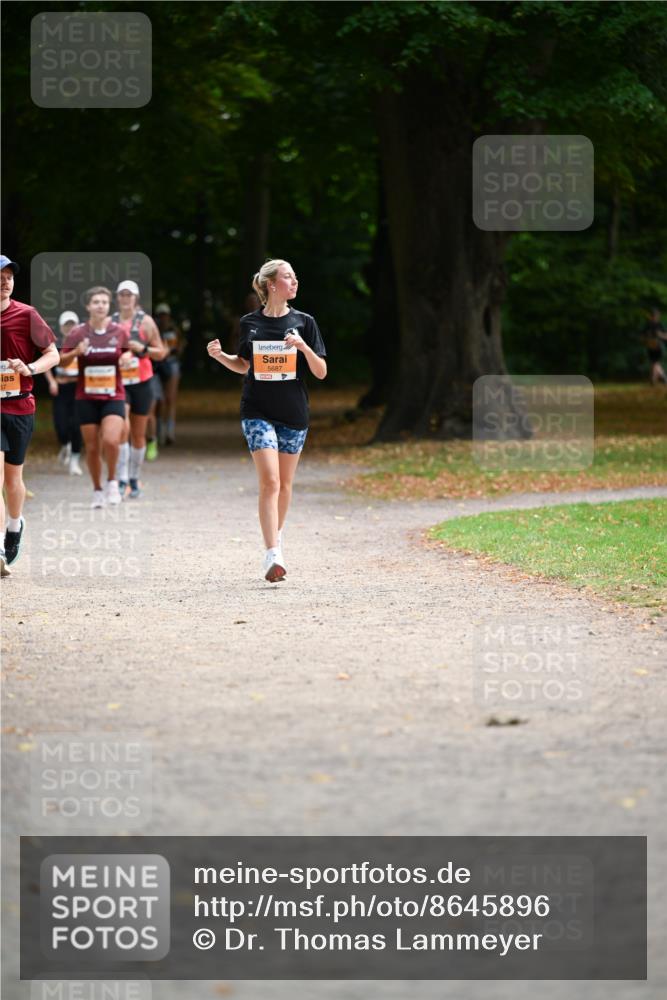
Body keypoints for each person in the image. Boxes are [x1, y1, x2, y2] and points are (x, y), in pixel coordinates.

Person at [207, 259, 327, 582]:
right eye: (289, 276)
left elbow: (321, 371)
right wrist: (221, 357)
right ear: (272, 285)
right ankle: (272, 555)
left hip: (294, 413)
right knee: (271, 481)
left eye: (295, 276)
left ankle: (276, 536)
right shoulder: (250, 323)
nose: (295, 281)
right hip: (257, 410)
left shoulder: (305, 322)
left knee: (285, 485)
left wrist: (302, 347)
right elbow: (244, 365)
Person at [0, 254, 59, 576]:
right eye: (0, 276)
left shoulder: (26, 315)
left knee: (13, 480)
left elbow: (52, 354)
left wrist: (31, 368)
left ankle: (14, 524)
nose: (5, 281)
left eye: (9, 276)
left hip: (20, 405)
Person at [59, 286, 133, 508]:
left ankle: (112, 481)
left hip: (113, 395)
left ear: (109, 306)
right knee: (91, 447)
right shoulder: (78, 333)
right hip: (86, 397)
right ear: (88, 306)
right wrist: (75, 353)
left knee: (111, 440)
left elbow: (128, 351)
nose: (100, 305)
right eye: (96, 302)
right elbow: (60, 361)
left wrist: (127, 357)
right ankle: (97, 490)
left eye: (104, 302)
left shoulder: (119, 332)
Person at [111, 280, 166, 498]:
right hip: (119, 383)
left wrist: (143, 348)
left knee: (138, 434)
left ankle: (134, 478)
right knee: (121, 428)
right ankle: (121, 478)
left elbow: (161, 352)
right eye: (122, 294)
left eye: (129, 294)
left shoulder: (146, 322)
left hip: (143, 381)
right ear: (117, 298)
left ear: (136, 298)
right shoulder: (110, 323)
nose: (125, 298)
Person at [44, 310, 83, 475]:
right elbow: (45, 364)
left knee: (76, 425)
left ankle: (74, 460)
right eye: (67, 325)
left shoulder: (83, 344)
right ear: (61, 327)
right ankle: (65, 444)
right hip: (61, 388)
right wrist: (52, 381)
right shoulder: (55, 343)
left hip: (78, 388)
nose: (70, 327)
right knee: (60, 425)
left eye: (72, 324)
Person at [154, 302, 184, 445]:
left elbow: (180, 345)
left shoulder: (174, 329)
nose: (163, 318)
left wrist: (175, 351)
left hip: (171, 364)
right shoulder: (154, 330)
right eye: (160, 315)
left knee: (170, 399)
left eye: (165, 315)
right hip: (158, 366)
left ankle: (169, 432)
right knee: (158, 400)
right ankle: (158, 432)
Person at [640, 307, 667, 384]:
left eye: (656, 315)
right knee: (654, 363)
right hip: (650, 347)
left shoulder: (660, 325)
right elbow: (642, 336)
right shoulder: (647, 325)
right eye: (653, 315)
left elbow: (666, 336)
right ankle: (657, 379)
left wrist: (660, 335)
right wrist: (646, 339)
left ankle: (656, 379)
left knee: (654, 362)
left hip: (659, 347)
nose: (655, 317)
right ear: (650, 316)